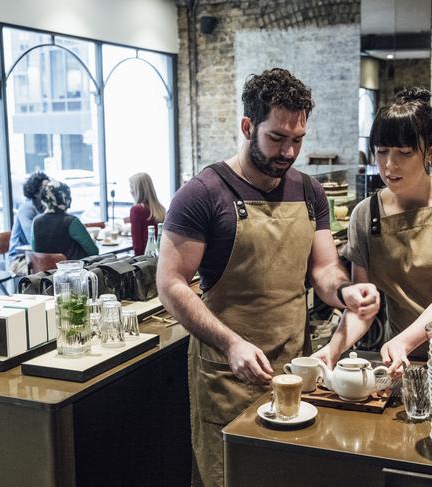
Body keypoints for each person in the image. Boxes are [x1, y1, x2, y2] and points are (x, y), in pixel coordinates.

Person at [157, 68, 380, 487]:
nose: (289, 152)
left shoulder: (309, 192)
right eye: (277, 138)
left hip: (297, 366)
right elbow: (170, 284)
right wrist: (230, 343)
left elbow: (324, 270)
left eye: (297, 140)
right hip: (229, 372)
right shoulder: (203, 194)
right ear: (247, 126)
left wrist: (347, 292)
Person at [313, 88, 432, 376]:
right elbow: (362, 309)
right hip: (407, 359)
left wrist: (403, 340)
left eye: (404, 153)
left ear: (431, 151)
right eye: (381, 151)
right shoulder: (365, 215)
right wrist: (333, 347)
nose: (390, 165)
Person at [31, 180, 98, 260]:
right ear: (66, 199)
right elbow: (94, 251)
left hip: (43, 271)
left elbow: (35, 250)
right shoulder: (72, 222)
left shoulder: (36, 222)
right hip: (71, 270)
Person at [8, 172, 49, 275]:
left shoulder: (44, 208)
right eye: (45, 187)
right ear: (35, 191)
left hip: (36, 255)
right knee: (56, 266)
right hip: (19, 259)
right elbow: (32, 239)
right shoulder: (26, 209)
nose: (49, 190)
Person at [128, 172, 166, 255]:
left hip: (145, 259)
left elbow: (137, 246)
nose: (130, 191)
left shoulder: (136, 210)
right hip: (159, 257)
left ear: (138, 190)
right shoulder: (161, 209)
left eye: (131, 187)